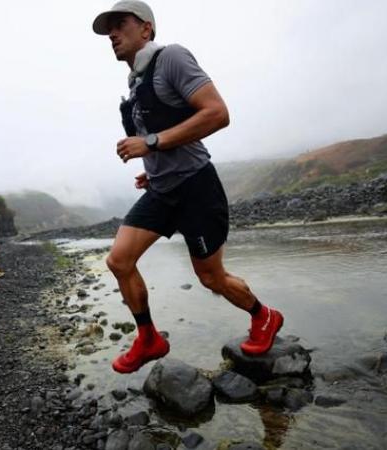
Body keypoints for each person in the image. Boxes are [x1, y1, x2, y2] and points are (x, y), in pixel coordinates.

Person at [92, 1, 284, 373]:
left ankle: (264, 315)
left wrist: (149, 145)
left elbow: (217, 113)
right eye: (108, 30)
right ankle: (149, 338)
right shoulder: (134, 85)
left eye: (120, 24)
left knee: (210, 277)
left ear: (146, 29)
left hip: (197, 186)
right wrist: (152, 167)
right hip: (163, 191)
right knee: (119, 260)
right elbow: (160, 137)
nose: (112, 34)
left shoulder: (172, 59)